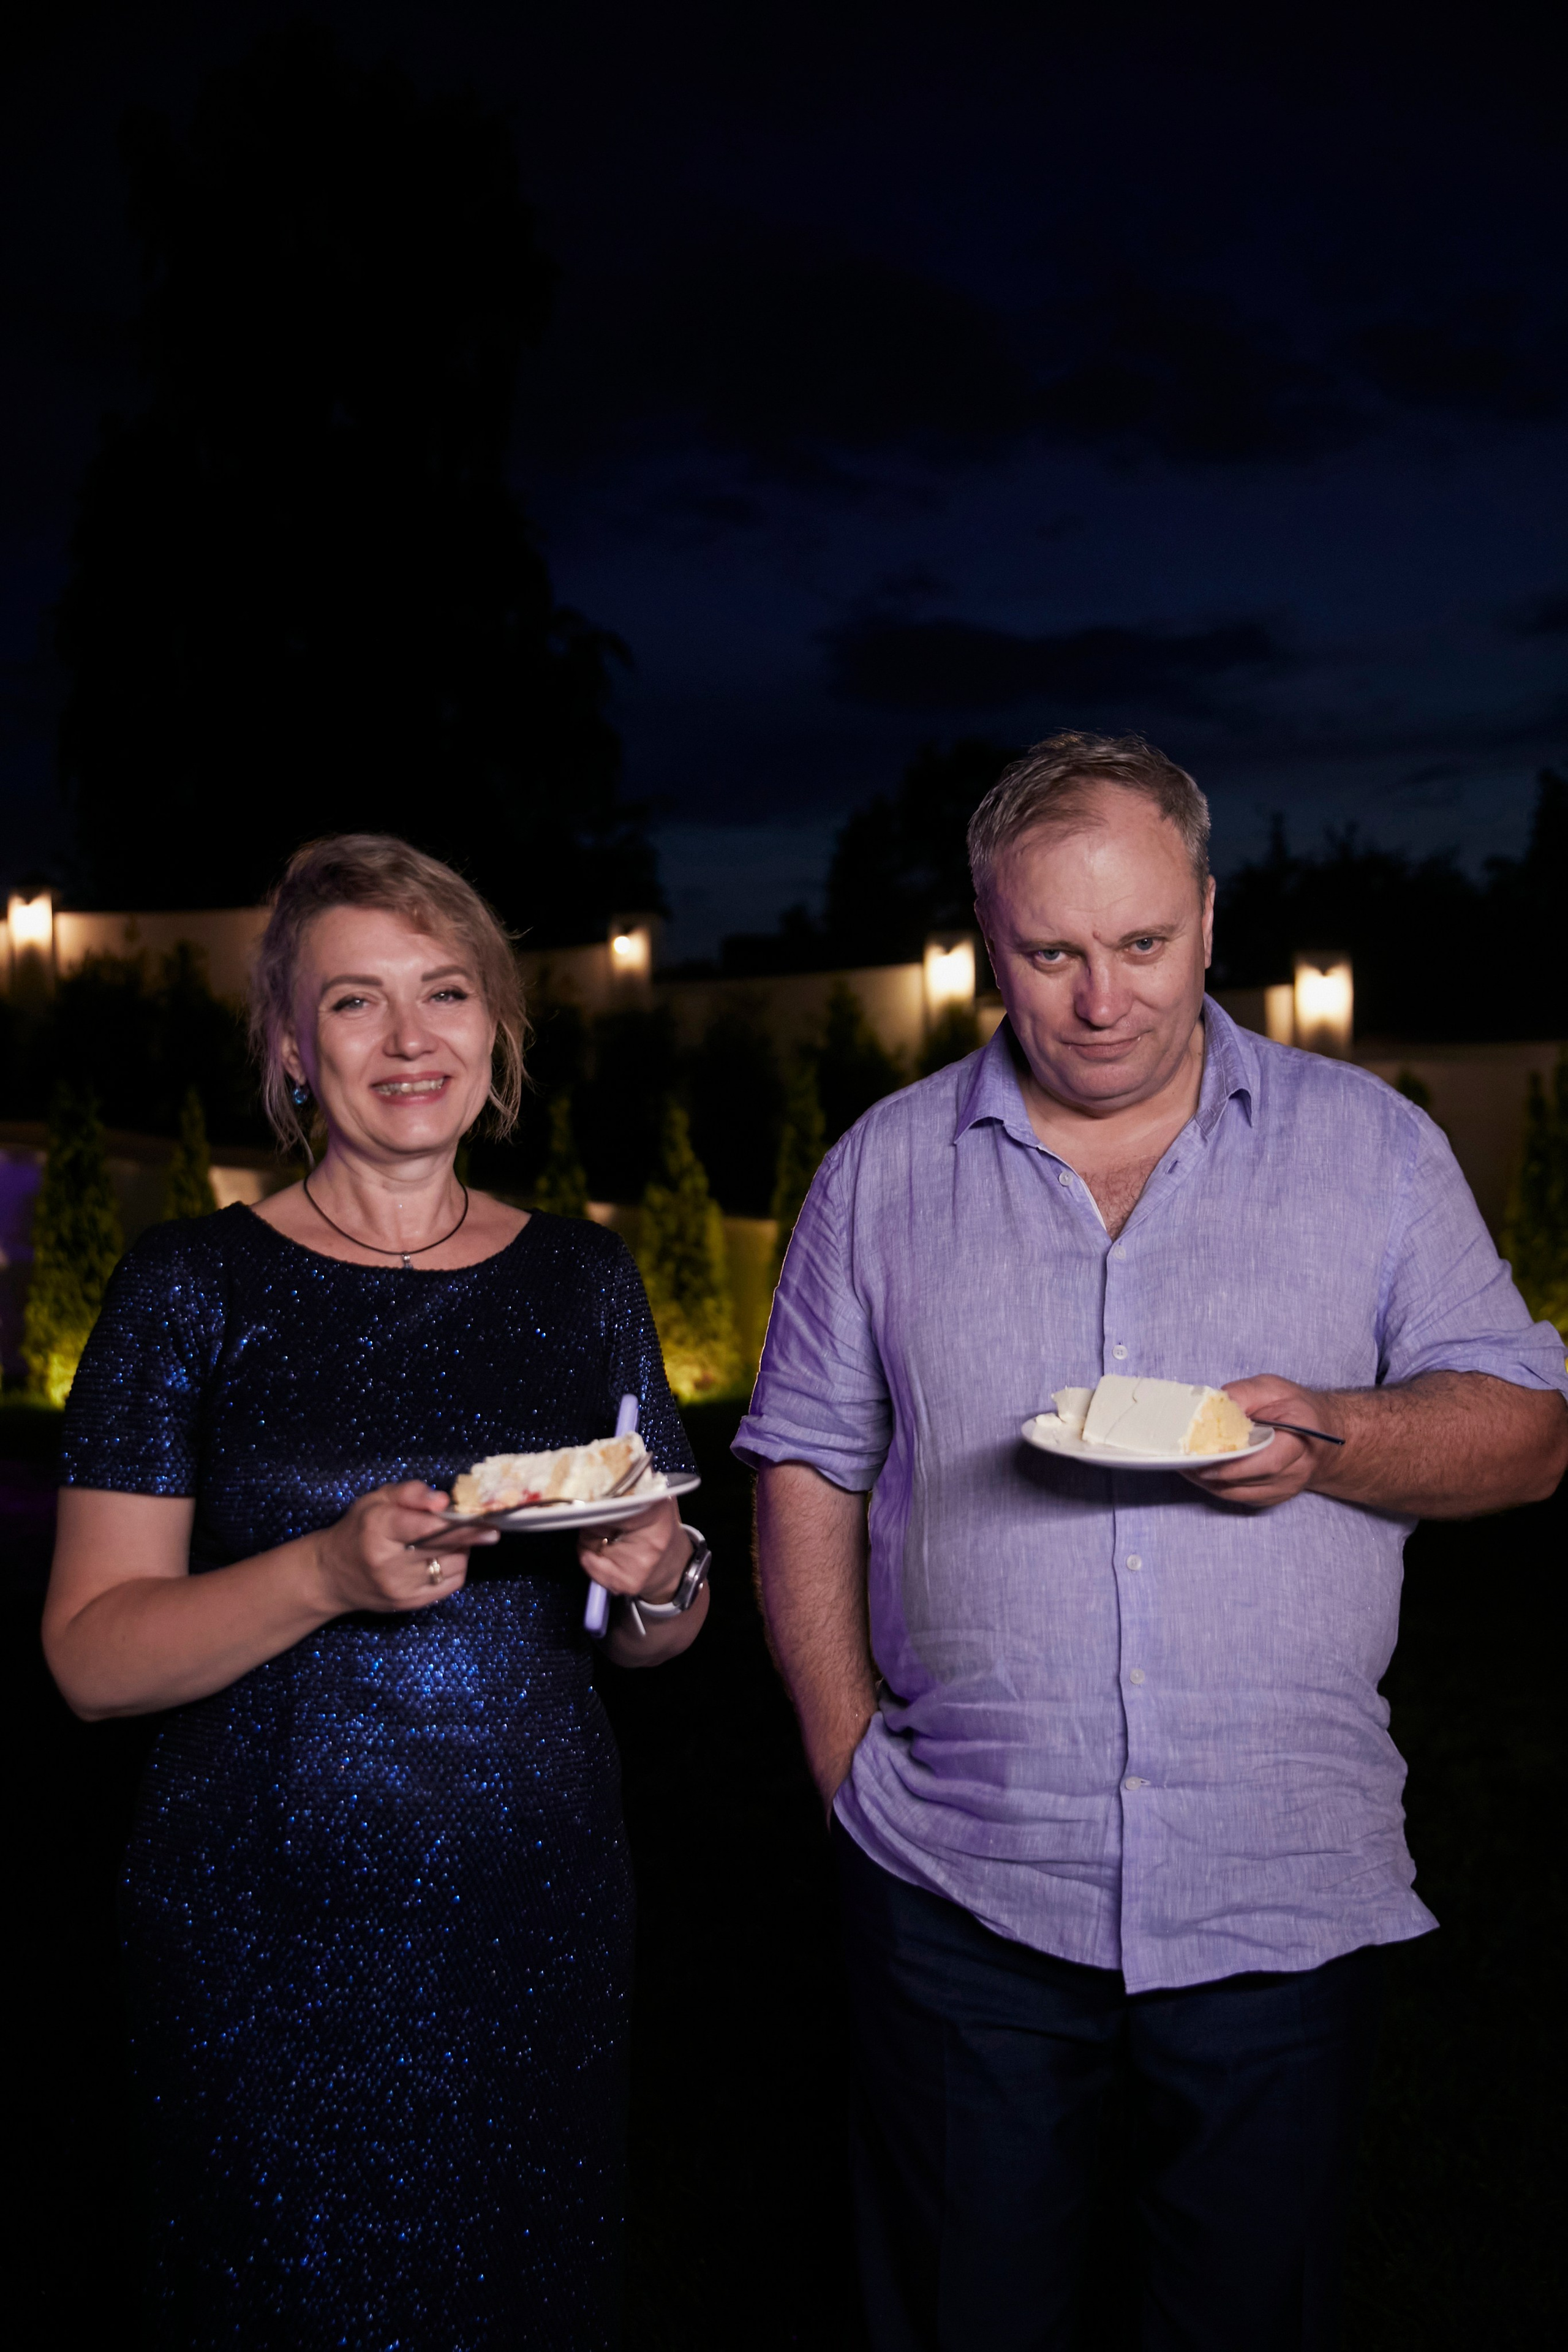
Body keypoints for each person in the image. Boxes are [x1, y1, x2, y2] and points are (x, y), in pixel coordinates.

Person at [739, 733, 1568, 2352]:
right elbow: (805, 1465)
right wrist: (847, 1763)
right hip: (962, 1885)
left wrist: (1340, 1437)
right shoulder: (886, 1169)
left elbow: (1531, 1430)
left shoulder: (1373, 1148)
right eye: (1052, 952)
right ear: (992, 939)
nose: (1100, 998)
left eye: (1140, 946)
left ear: (1207, 917)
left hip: (1279, 1884)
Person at [42, 834, 710, 2350]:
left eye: (445, 993)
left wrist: (666, 1578)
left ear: (497, 1031)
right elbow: (90, 1657)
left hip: (536, 1920)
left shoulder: (584, 1280)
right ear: (291, 1046)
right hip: (260, 1936)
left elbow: (663, 1630)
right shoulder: (187, 1287)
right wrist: (323, 1572)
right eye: (356, 1003)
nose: (410, 1042)